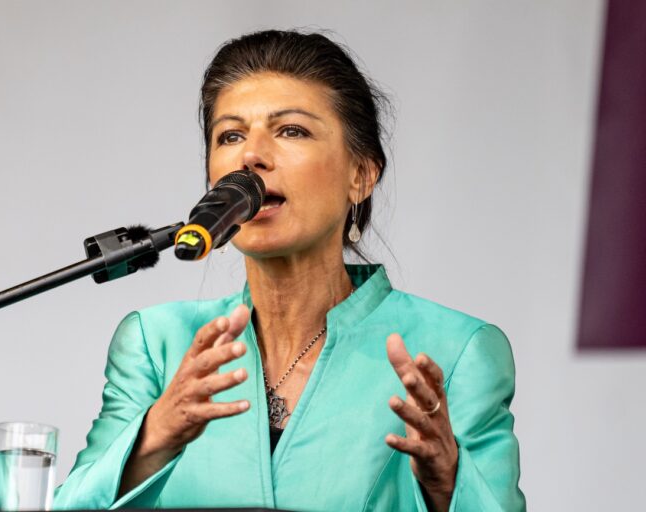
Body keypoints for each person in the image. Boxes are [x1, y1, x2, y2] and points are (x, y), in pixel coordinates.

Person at [53, 29, 525, 512]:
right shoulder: (156, 343)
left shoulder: (459, 351)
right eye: (230, 135)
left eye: (291, 130)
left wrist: (449, 482)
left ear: (360, 175)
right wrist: (154, 436)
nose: (250, 155)